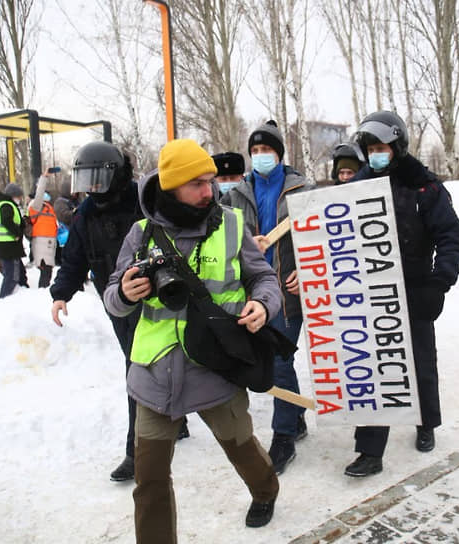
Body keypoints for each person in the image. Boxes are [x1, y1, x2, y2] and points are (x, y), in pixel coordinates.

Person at [103, 138, 281, 539]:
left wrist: (263, 305)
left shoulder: (233, 223)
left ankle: (266, 490)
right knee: (149, 480)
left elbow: (264, 278)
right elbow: (113, 296)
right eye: (197, 183)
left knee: (241, 448)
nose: (209, 191)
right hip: (154, 375)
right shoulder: (141, 234)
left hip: (217, 365)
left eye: (210, 181)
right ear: (171, 186)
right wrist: (124, 294)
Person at [342, 110, 459, 477]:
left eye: (382, 147)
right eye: (371, 148)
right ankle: (370, 451)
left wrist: (438, 281)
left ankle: (425, 422)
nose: (376, 154)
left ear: (398, 146)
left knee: (419, 362)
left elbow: (450, 236)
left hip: (414, 288)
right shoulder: (357, 186)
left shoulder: (425, 186)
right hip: (371, 291)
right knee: (374, 368)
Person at [50, 141, 150, 482]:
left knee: (140, 368)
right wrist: (61, 293)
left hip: (155, 297)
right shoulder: (86, 216)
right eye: (86, 180)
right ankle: (168, 424)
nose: (92, 188)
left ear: (116, 176)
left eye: (98, 180)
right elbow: (74, 258)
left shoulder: (144, 201)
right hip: (116, 303)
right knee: (139, 363)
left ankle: (136, 453)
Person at [219, 119, 311, 475]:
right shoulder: (236, 194)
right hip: (255, 295)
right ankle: (298, 417)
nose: (260, 156)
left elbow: (323, 237)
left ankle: (284, 435)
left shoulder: (302, 188)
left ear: (279, 153)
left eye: (266, 150)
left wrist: (307, 270)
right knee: (275, 360)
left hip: (291, 293)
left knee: (278, 362)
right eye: (255, 151)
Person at [0, 183, 27, 298]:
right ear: (13, 195)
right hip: (8, 245)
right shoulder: (6, 205)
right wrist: (17, 233)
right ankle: (5, 297)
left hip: (1, 243)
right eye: (19, 197)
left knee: (18, 271)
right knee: (12, 275)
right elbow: (7, 221)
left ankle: (23, 291)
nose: (20, 199)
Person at [27, 176, 59, 288]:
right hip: (42, 241)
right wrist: (44, 178)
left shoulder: (48, 207)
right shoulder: (36, 205)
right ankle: (42, 291)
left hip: (49, 241)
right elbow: (39, 193)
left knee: (47, 270)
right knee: (46, 269)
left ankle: (43, 289)